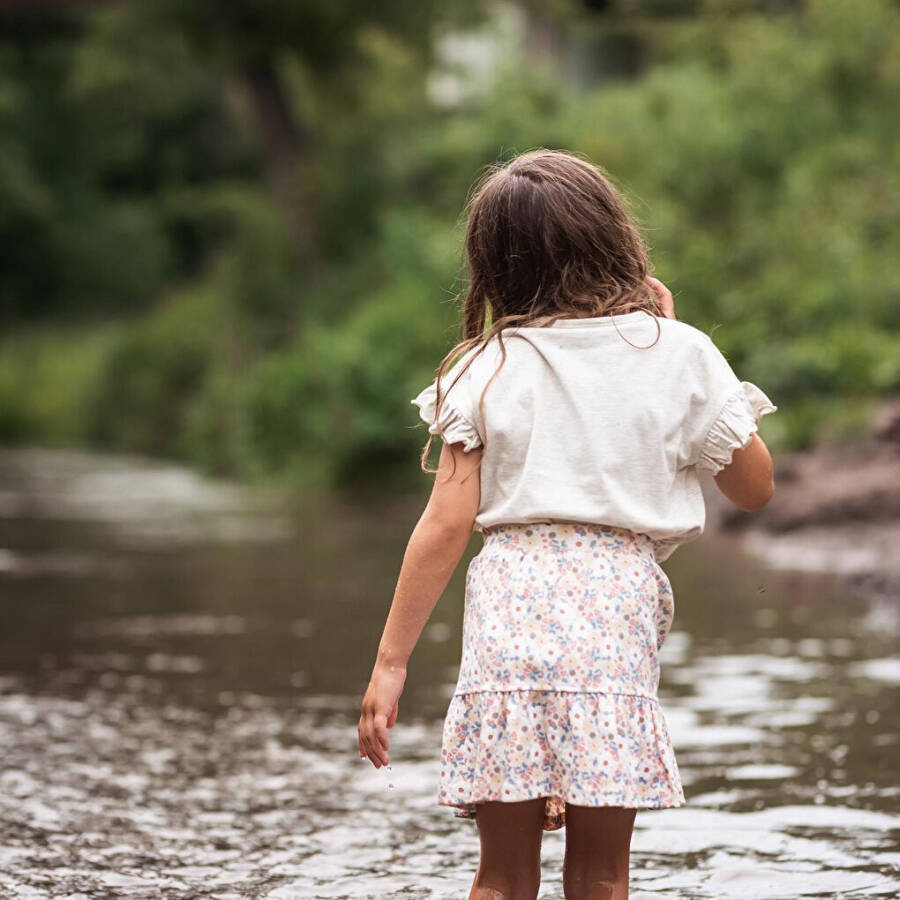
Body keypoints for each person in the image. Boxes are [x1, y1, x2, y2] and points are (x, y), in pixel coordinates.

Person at [357, 149, 777, 900]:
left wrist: (391, 665)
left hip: (509, 619)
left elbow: (444, 526)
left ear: (495, 267)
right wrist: (684, 362)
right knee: (601, 878)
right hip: (613, 620)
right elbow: (755, 488)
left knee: (501, 876)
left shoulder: (487, 365)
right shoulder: (679, 355)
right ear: (615, 240)